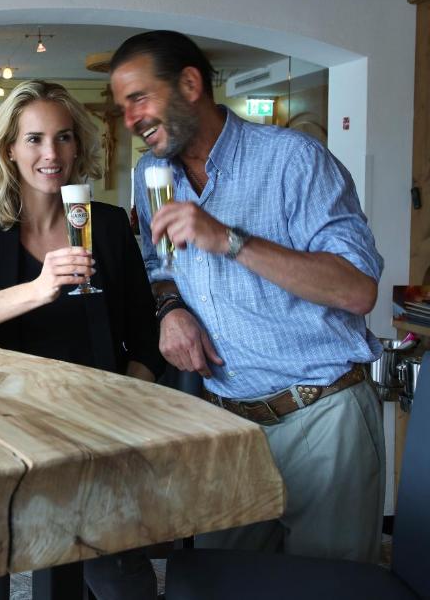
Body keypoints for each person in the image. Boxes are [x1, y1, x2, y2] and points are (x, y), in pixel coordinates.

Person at [110, 30, 385, 562]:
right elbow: (159, 265)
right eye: (123, 107)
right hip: (229, 425)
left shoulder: (293, 160)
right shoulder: (151, 174)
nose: (130, 119)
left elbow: (357, 289)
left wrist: (228, 240)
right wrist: (170, 309)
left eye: (139, 98)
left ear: (190, 85)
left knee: (327, 588)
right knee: (223, 583)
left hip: (322, 416)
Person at [0, 80, 165, 600]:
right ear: (10, 149)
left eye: (64, 137)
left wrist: (129, 400)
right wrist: (37, 289)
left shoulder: (107, 225)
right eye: (34, 139)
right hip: (4, 428)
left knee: (114, 577)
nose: (52, 154)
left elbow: (145, 331)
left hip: (95, 428)